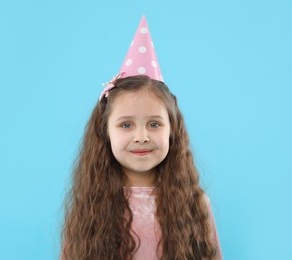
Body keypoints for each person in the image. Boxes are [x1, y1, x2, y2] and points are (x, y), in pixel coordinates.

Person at [61, 16, 222, 260]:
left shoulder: (195, 205)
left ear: (172, 130)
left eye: (154, 124)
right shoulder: (91, 206)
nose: (141, 136)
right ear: (105, 131)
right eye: (126, 124)